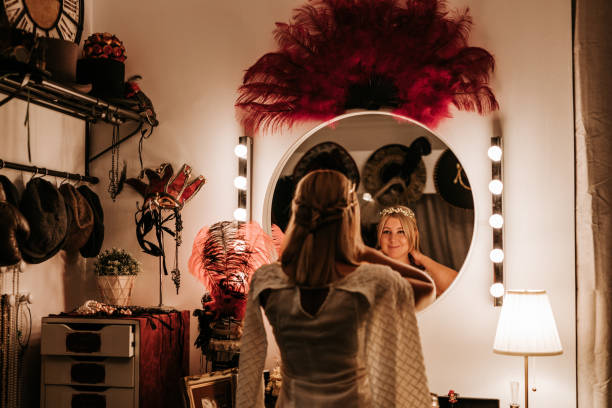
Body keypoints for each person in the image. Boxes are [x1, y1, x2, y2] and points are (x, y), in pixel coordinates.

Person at [236, 169, 434, 408]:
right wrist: (364, 251)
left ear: (297, 213)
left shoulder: (268, 280)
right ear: (350, 215)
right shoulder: (372, 282)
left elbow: (250, 364)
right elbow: (426, 287)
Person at [377, 206, 458, 297]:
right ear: (379, 236)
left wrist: (421, 257)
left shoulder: (426, 276)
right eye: (386, 232)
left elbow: (458, 286)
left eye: (401, 232)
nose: (393, 239)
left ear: (414, 235)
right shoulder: (368, 271)